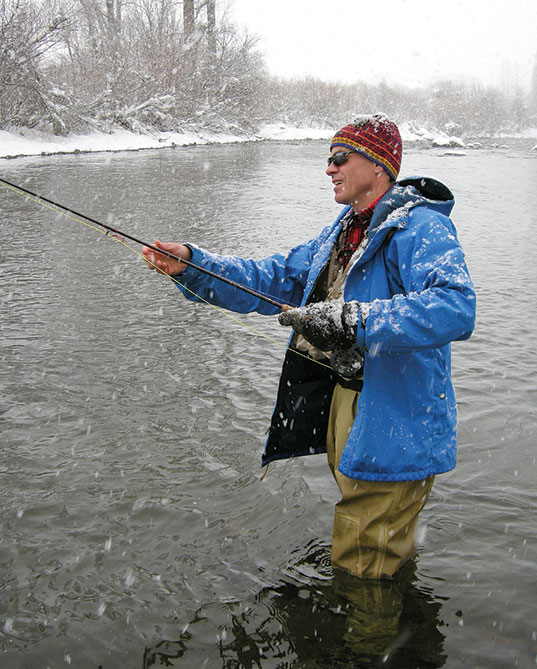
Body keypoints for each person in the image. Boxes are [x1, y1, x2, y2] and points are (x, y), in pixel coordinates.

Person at [142, 114, 476, 580]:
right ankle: (388, 628)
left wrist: (353, 319)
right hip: (349, 406)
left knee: (363, 561)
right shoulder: (343, 229)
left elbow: (456, 307)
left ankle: (368, 643)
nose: (329, 168)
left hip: (396, 414)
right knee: (372, 540)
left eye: (340, 158)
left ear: (378, 164)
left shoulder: (420, 227)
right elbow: (274, 278)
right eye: (328, 159)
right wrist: (194, 266)